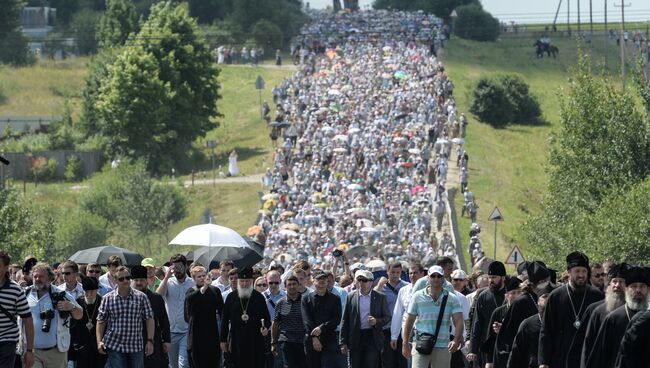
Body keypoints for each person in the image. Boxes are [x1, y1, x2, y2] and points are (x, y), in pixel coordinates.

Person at [538, 251, 604, 368]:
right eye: (577, 271)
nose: (581, 275)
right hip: (560, 359)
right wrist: (543, 361)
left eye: (584, 271)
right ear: (569, 272)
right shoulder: (555, 296)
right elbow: (546, 330)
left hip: (587, 358)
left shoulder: (597, 296)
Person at [583, 266, 648, 368]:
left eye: (642, 286)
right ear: (626, 289)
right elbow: (599, 356)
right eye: (634, 286)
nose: (638, 290)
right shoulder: (613, 319)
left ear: (648, 289)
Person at [401, 265, 464, 368]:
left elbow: (459, 321)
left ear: (443, 278)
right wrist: (405, 343)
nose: (436, 279)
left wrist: (456, 340)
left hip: (443, 345)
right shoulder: (417, 296)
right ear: (428, 278)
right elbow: (409, 320)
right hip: (421, 343)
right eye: (433, 276)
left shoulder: (452, 298)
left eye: (439, 276)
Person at [495, 261, 552, 366]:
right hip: (527, 357)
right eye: (541, 282)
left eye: (546, 281)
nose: (545, 285)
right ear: (532, 284)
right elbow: (506, 336)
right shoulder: (521, 302)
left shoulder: (555, 298)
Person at [96, 266, 154, 368]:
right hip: (114, 344)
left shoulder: (141, 297)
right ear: (115, 280)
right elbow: (101, 321)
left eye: (127, 277)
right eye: (121, 279)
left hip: (135, 344)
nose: (125, 281)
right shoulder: (107, 298)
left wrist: (150, 341)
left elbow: (149, 319)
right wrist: (99, 341)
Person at [27, 262, 82, 368]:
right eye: (35, 276)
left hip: (56, 352)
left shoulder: (61, 293)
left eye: (41, 276)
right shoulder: (25, 294)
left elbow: (80, 315)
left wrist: (71, 307)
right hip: (32, 352)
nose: (38, 279)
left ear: (50, 278)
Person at [220, 267, 271, 368]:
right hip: (236, 340)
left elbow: (266, 318)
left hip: (255, 340)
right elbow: (224, 320)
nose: (244, 284)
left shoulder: (259, 297)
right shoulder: (231, 297)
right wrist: (223, 340)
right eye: (242, 281)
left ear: (252, 281)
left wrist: (265, 327)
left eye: (247, 281)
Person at [340, 269, 391, 368]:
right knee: (355, 365)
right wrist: (343, 342)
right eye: (359, 280)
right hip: (356, 337)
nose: (361, 283)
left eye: (364, 280)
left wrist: (376, 321)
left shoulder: (380, 297)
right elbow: (345, 320)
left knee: (370, 365)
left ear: (371, 282)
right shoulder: (351, 296)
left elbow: (387, 317)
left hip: (372, 337)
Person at [580, 263, 628, 367]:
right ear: (609, 284)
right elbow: (587, 344)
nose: (617, 285)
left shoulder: (634, 312)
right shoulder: (596, 311)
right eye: (614, 281)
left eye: (621, 282)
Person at [157, 254, 195, 368]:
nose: (177, 271)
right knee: (173, 365)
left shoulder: (192, 284)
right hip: (170, 332)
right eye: (174, 268)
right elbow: (158, 296)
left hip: (186, 331)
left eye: (179, 267)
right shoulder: (168, 282)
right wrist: (167, 277)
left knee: (183, 364)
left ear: (185, 266)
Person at [467, 261, 506, 367]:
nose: (491, 280)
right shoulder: (483, 296)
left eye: (494, 277)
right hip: (485, 344)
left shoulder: (509, 294)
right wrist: (472, 350)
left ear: (503, 278)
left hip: (505, 344)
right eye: (489, 277)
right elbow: (477, 323)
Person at [131, 265, 171, 368]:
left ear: (147, 281)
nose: (139, 283)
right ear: (132, 281)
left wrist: (167, 340)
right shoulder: (126, 298)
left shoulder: (156, 298)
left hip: (153, 340)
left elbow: (164, 321)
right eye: (136, 280)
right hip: (131, 342)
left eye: (142, 280)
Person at [184, 265, 224, 368]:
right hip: (196, 335)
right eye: (199, 277)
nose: (202, 278)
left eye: (203, 275)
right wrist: (203, 288)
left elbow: (222, 311)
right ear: (194, 279)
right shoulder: (191, 291)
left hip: (212, 333)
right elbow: (188, 308)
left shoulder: (215, 290)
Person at [300, 269, 341, 368]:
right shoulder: (306, 298)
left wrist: (321, 328)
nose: (322, 281)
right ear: (313, 281)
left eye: (324, 278)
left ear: (328, 281)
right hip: (310, 339)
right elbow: (306, 320)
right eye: (319, 278)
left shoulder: (335, 298)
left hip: (329, 338)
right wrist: (314, 338)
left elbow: (336, 319)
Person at [0, 251, 34, 368]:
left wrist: (29, 350)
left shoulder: (16, 290)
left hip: (7, 342)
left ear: (6, 268)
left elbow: (28, 320)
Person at [390, 262, 425, 368]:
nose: (412, 276)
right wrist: (394, 336)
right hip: (408, 335)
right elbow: (398, 314)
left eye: (415, 273)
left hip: (425, 334)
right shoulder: (403, 290)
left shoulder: (430, 290)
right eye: (410, 273)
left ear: (422, 274)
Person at [373, 261, 408, 368]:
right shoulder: (381, 287)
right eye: (392, 272)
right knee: (388, 362)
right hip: (386, 329)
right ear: (387, 272)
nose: (395, 275)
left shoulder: (406, 287)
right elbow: (371, 301)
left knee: (403, 361)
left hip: (403, 329)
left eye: (398, 272)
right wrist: (379, 286)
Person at [506, 293, 549, 368]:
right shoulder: (527, 324)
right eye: (544, 296)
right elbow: (516, 353)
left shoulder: (561, 322)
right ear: (538, 303)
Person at [271, 276, 306, 368]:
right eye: (289, 285)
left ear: (298, 285)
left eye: (294, 284)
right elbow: (275, 323)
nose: (292, 286)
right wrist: (273, 343)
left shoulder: (306, 301)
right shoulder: (281, 303)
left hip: (303, 341)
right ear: (285, 287)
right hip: (286, 341)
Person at [72, 276, 106, 368]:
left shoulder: (103, 302)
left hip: (98, 348)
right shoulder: (78, 302)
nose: (89, 294)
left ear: (97, 290)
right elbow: (73, 325)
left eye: (92, 291)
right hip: (81, 347)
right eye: (86, 292)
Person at [491, 277, 522, 368]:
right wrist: (489, 361)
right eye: (513, 293)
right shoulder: (498, 312)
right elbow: (490, 337)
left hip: (520, 352)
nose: (517, 296)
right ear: (507, 295)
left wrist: (504, 329)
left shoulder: (524, 309)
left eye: (519, 292)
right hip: (503, 353)